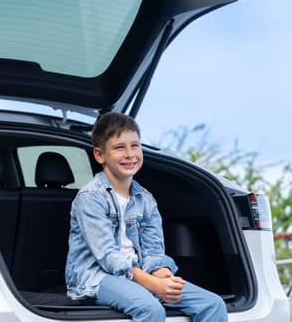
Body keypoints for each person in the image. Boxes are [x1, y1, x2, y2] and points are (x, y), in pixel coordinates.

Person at [65, 112, 227, 321]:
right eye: (119, 147)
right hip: (97, 278)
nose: (130, 154)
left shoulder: (146, 200)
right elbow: (108, 257)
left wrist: (163, 274)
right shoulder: (90, 198)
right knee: (150, 309)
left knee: (213, 305)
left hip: (140, 276)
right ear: (99, 155)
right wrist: (154, 285)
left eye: (135, 145)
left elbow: (153, 251)